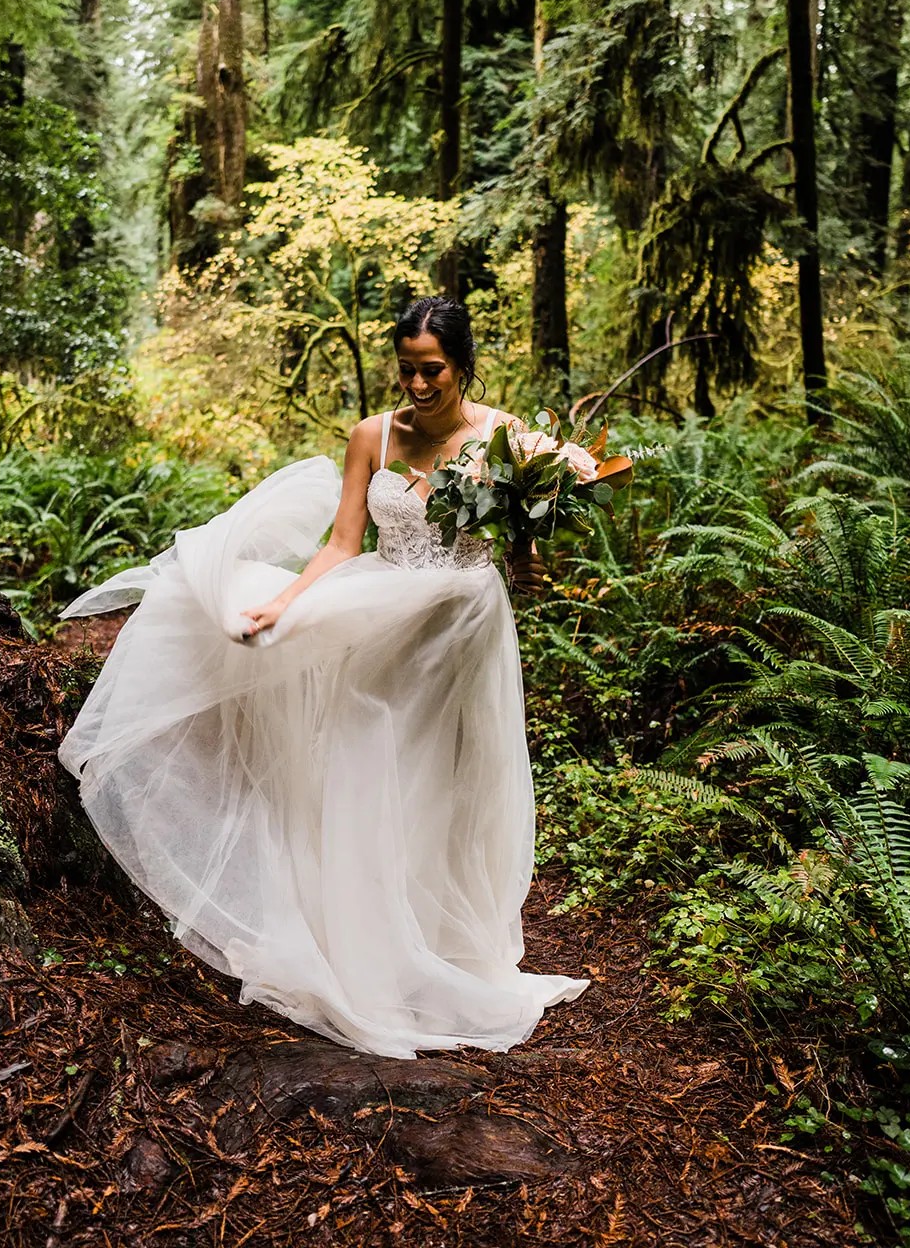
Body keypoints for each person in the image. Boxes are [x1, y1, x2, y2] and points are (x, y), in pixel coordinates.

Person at [57, 295, 588, 1059]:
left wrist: (547, 511)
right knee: (368, 765)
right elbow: (343, 543)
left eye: (430, 370)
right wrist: (284, 602)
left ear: (462, 365)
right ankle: (368, 951)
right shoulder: (371, 436)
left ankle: (440, 946)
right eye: (405, 369)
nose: (415, 385)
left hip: (463, 622)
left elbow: (556, 507)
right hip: (383, 615)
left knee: (447, 781)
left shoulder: (503, 436)